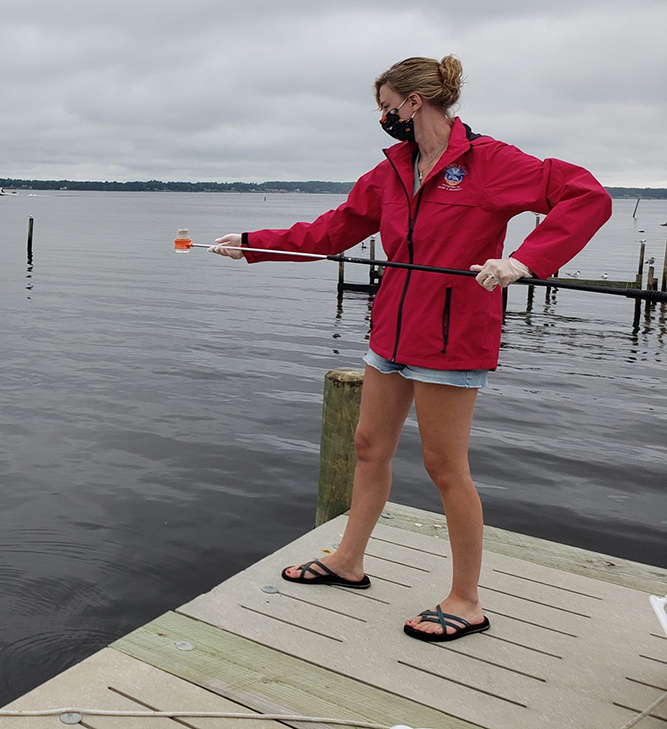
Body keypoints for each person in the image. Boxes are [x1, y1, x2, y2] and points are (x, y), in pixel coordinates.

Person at [211, 55, 611, 642]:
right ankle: (349, 561)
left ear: (415, 103)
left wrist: (524, 261)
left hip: (452, 339)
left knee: (445, 466)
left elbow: (586, 195)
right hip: (391, 333)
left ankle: (467, 599)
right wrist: (252, 244)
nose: (382, 117)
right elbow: (334, 230)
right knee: (369, 446)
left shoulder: (491, 162)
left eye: (386, 106)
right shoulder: (393, 170)